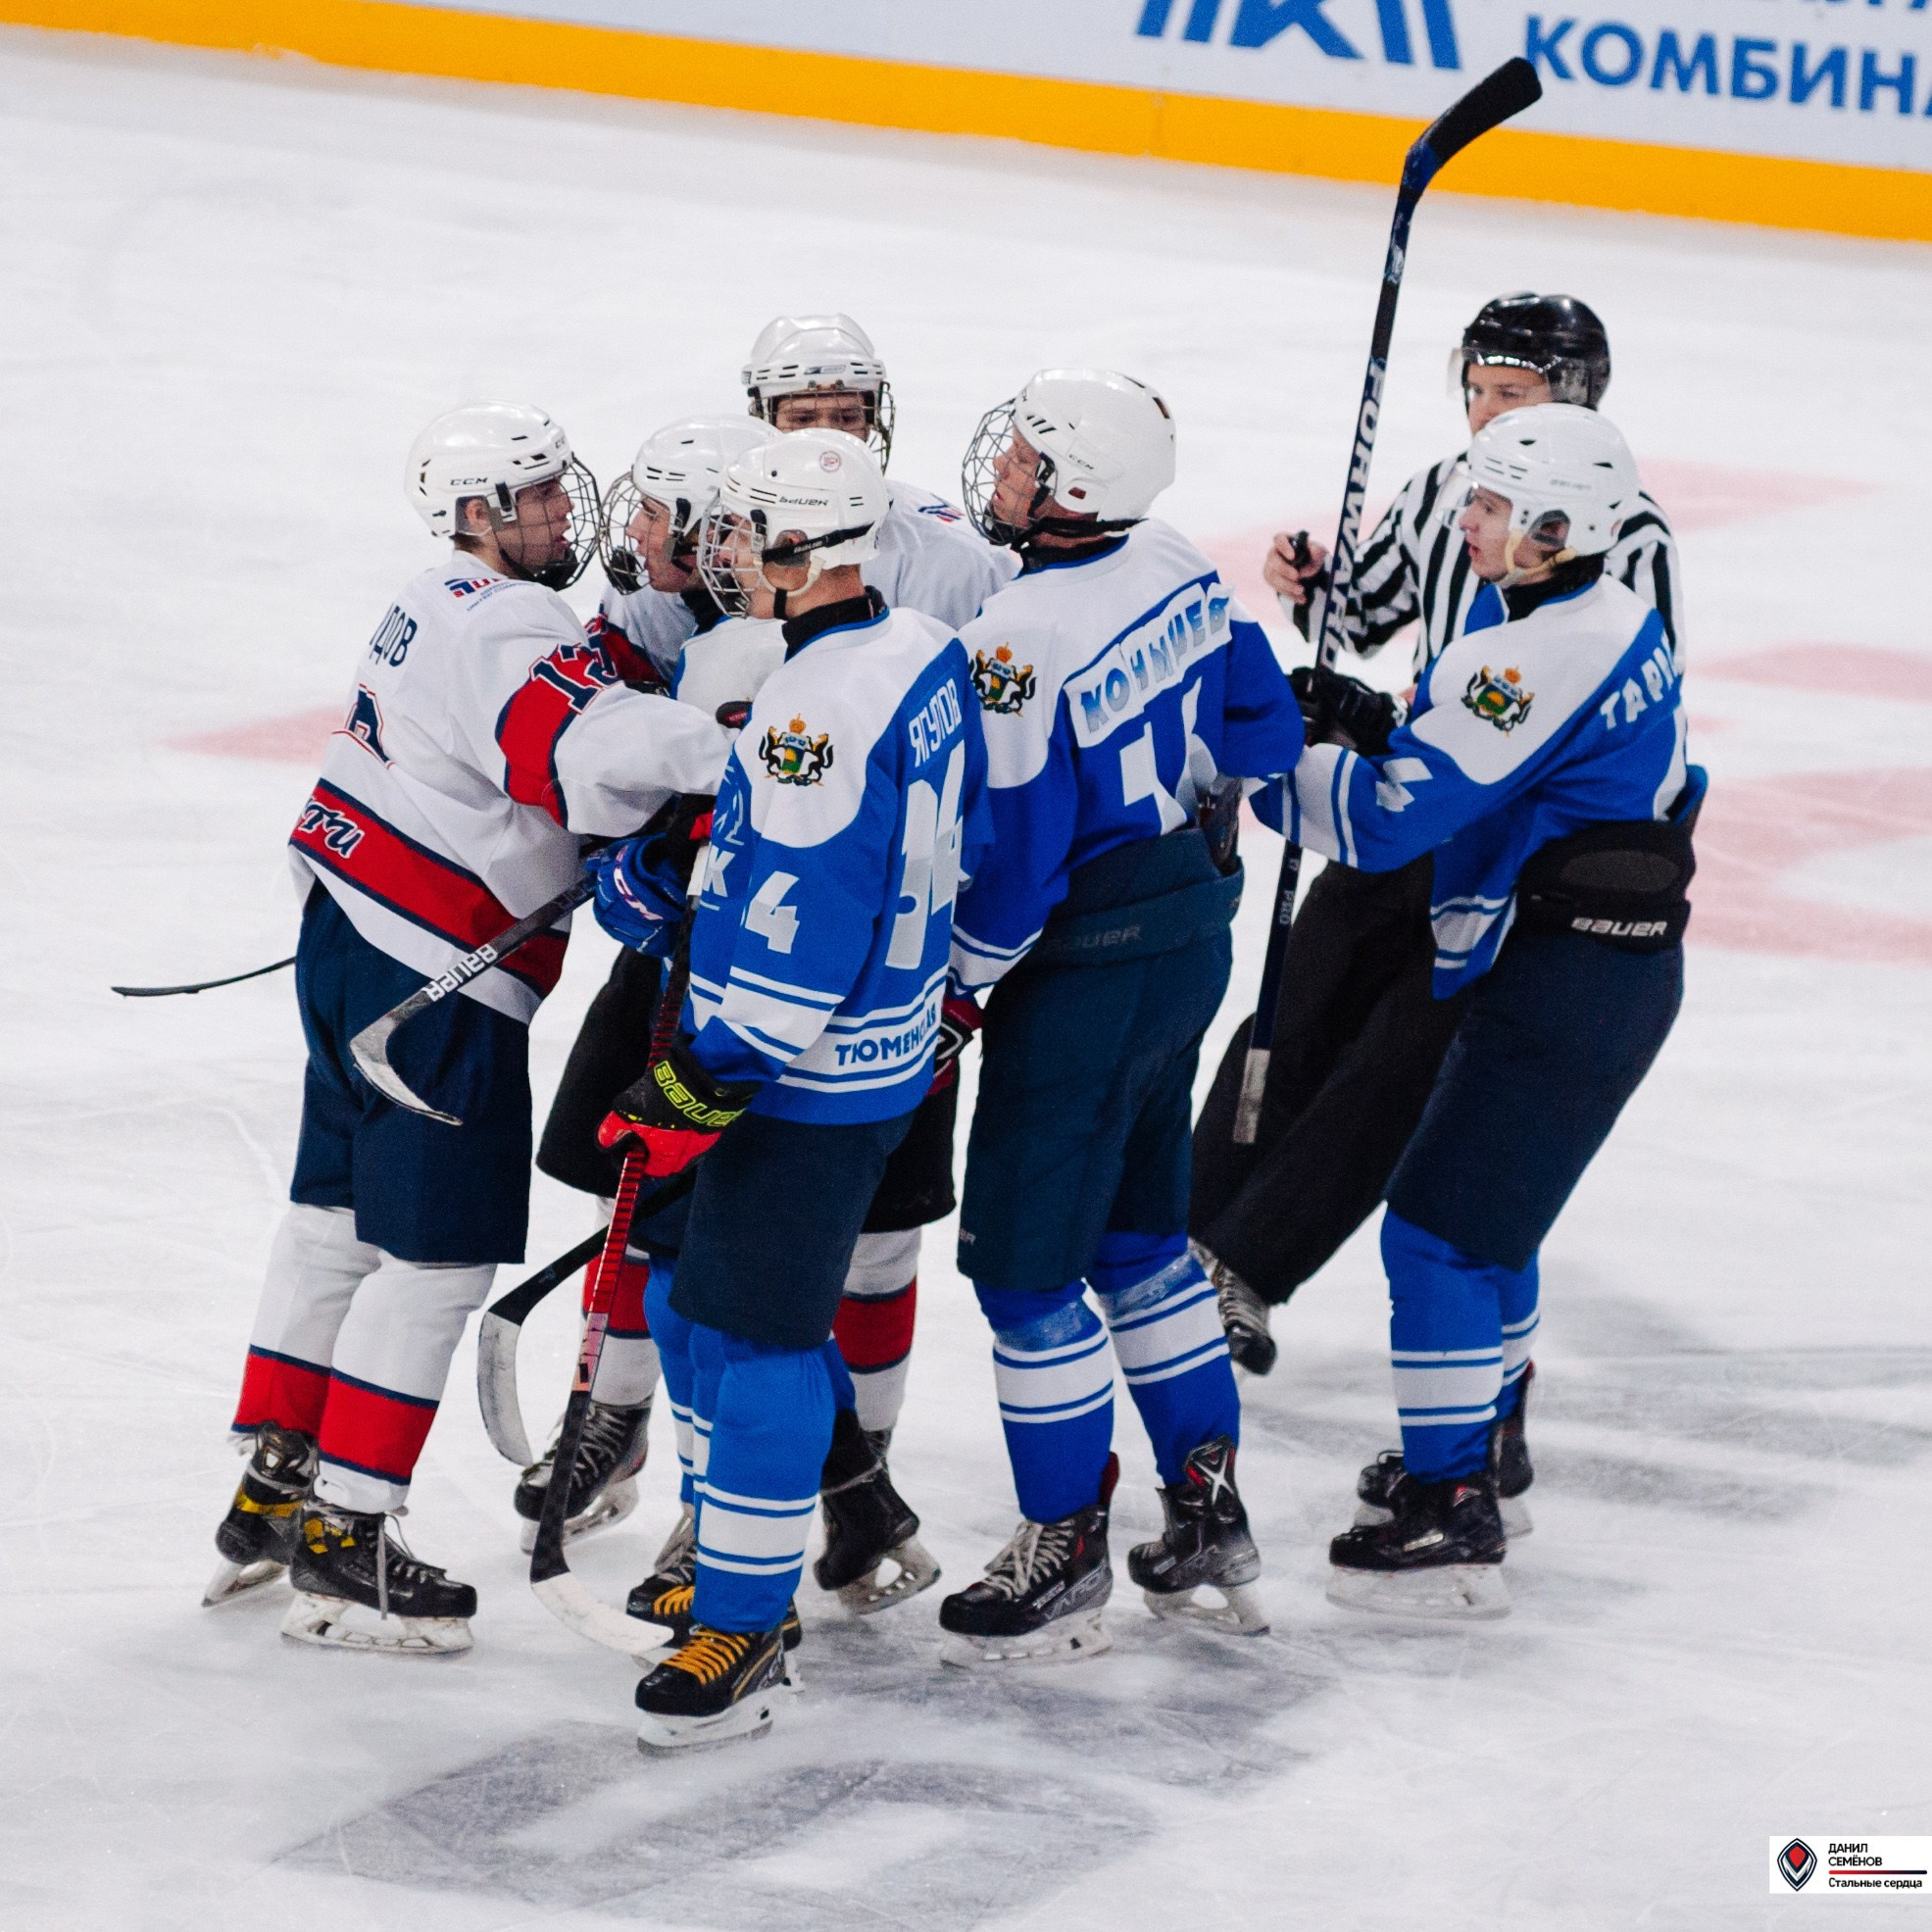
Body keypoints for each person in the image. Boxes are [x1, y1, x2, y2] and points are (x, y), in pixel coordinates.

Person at [205, 402, 731, 1654]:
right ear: (482, 516)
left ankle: (274, 1488)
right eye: (541, 496)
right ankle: (349, 1537)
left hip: (345, 934)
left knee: (332, 1222)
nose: (567, 511)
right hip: (432, 975)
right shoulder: (509, 620)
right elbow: (586, 756)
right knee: (434, 1259)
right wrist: (744, 746)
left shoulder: (431, 593)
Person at [526, 321, 1015, 1610]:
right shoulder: (723, 584)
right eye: (799, 411)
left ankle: (807, 1512)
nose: (826, 429)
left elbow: (959, 801)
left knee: (818, 1267)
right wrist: (650, 857)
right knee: (684, 1247)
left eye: (844, 408)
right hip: (778, 979)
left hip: (795, 1007)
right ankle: (676, 1454)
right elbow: (615, 748)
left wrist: (707, 1069)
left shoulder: (930, 588)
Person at [1189, 294, 1682, 1398]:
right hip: (1421, 781)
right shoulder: (1446, 491)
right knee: (1294, 1006)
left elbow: (1606, 704)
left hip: (1497, 840)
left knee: (1400, 1064)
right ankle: (1191, 1234)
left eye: (1516, 395)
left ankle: (1251, 1268)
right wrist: (1316, 594)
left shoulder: (1622, 537)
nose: (1488, 411)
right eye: (1481, 390)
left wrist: (1265, 762)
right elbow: (1362, 615)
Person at [1268, 403, 1699, 1618]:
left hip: (1566, 979)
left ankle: (1454, 1500)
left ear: (1562, 526)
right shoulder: (1603, 615)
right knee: (1490, 1222)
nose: (1469, 524)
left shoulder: (1523, 654)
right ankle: (1484, 1439)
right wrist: (1373, 722)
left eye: (1495, 508)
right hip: (1597, 971)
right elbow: (1503, 760)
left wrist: (1258, 761)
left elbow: (1384, 823)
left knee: (1439, 1235)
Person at [593, 428, 989, 1749]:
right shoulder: (916, 652)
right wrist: (720, 850)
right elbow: (939, 835)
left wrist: (701, 1078)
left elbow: (808, 926)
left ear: (801, 550)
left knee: (754, 1334)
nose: (723, 548)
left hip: (796, 1078)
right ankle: (728, 1556)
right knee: (707, 1312)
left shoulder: (817, 705)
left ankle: (747, 1621)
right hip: (870, 1056)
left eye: (747, 525)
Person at [935, 370, 1305, 1664]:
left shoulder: (1015, 635)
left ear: (1070, 487)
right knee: (1143, 1240)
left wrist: (956, 987)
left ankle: (1060, 1543)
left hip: (1080, 971)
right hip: (1184, 936)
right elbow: (1260, 728)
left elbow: (1021, 859)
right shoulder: (1177, 562)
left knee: (1026, 1271)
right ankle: (1205, 1511)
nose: (1003, 471)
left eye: (1025, 458)